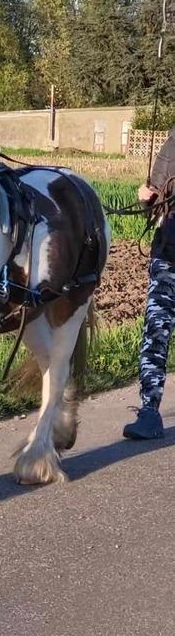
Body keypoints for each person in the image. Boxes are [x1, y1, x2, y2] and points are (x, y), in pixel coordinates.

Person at [124, 127, 175, 439]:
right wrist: (147, 198)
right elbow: (155, 194)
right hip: (167, 253)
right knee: (155, 332)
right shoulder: (173, 140)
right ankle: (149, 412)